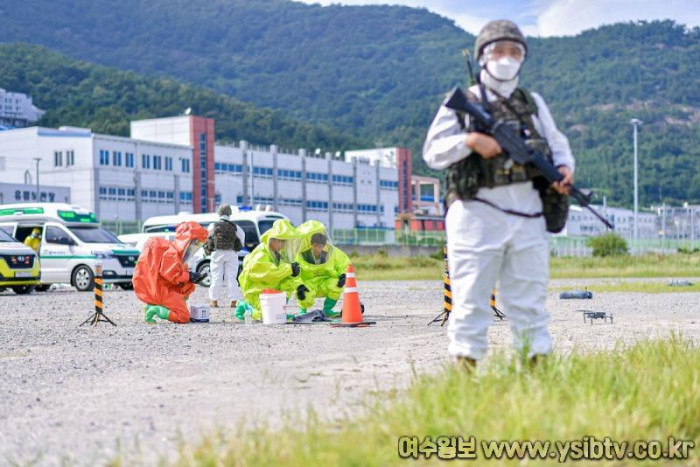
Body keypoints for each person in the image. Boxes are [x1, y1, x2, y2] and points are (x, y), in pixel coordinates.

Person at [423, 20, 575, 365]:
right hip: (477, 212)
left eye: (514, 52)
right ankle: (466, 380)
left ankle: (537, 376)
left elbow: (558, 146)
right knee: (471, 300)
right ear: (482, 57)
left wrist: (565, 170)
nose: (506, 58)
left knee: (530, 301)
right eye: (498, 51)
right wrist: (469, 141)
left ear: (522, 58)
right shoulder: (465, 101)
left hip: (527, 212)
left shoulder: (531, 102)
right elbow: (433, 152)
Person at [133, 221, 209, 323]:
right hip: (164, 290)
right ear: (186, 240)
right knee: (183, 317)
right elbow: (172, 276)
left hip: (166, 288)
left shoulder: (179, 256)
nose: (195, 246)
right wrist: (189, 276)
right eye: (194, 242)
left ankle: (152, 305)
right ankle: (156, 309)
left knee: (188, 288)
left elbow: (180, 277)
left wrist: (192, 278)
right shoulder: (172, 254)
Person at [236, 219, 311, 320]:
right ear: (273, 240)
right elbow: (268, 273)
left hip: (270, 289)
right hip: (256, 291)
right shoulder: (261, 253)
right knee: (265, 316)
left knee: (287, 283)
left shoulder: (278, 255)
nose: (283, 245)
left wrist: (299, 286)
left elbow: (286, 273)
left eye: (285, 242)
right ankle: (245, 306)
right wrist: (289, 269)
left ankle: (279, 311)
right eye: (281, 242)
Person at [295, 220, 351, 317]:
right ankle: (303, 311)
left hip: (324, 282)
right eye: (315, 246)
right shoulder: (301, 256)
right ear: (311, 244)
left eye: (320, 246)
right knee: (303, 292)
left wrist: (344, 274)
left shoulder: (332, 253)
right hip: (309, 284)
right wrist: (298, 285)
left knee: (335, 284)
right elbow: (294, 273)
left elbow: (344, 263)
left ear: (324, 246)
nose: (317, 249)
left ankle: (327, 310)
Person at [204, 204, 245, 308]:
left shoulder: (213, 225)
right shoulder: (235, 226)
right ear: (229, 213)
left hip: (217, 253)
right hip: (231, 253)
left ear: (219, 213)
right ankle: (233, 301)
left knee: (216, 277)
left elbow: (206, 237)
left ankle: (214, 301)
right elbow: (242, 238)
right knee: (231, 277)